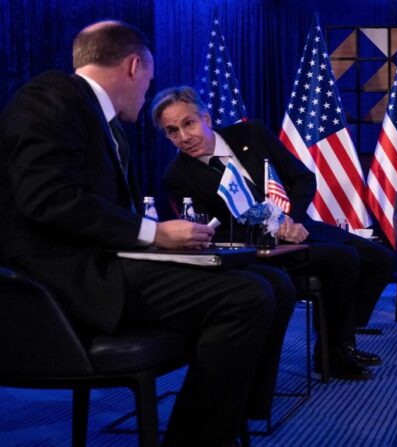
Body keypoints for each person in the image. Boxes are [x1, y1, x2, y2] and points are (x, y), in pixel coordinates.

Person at [0, 21, 296, 446]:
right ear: (135, 66)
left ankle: (231, 420)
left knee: (273, 281)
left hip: (103, 264)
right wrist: (154, 233)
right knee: (245, 296)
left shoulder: (96, 119)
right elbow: (48, 200)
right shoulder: (51, 99)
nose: (146, 92)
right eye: (149, 82)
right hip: (62, 284)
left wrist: (162, 240)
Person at [151, 86, 395, 380]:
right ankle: (335, 351)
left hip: (295, 224)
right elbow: (211, 231)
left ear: (206, 117)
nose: (184, 137)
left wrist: (292, 219)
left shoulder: (251, 133)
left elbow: (303, 178)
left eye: (188, 124)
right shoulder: (177, 176)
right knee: (343, 259)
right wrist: (272, 230)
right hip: (256, 247)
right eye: (172, 131)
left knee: (381, 260)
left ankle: (339, 336)